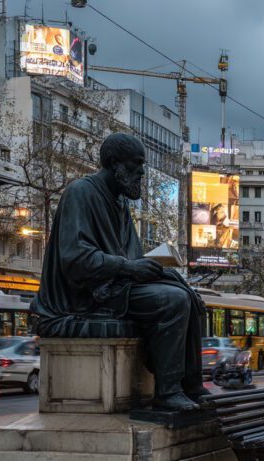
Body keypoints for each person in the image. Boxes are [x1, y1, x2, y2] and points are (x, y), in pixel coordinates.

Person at [31, 133, 207, 412]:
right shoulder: (81, 193)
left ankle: (192, 385)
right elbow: (75, 259)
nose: (142, 172)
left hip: (112, 286)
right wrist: (130, 267)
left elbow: (132, 258)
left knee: (188, 294)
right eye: (136, 164)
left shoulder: (120, 203)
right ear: (115, 164)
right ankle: (167, 391)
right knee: (173, 300)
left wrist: (160, 271)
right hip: (84, 295)